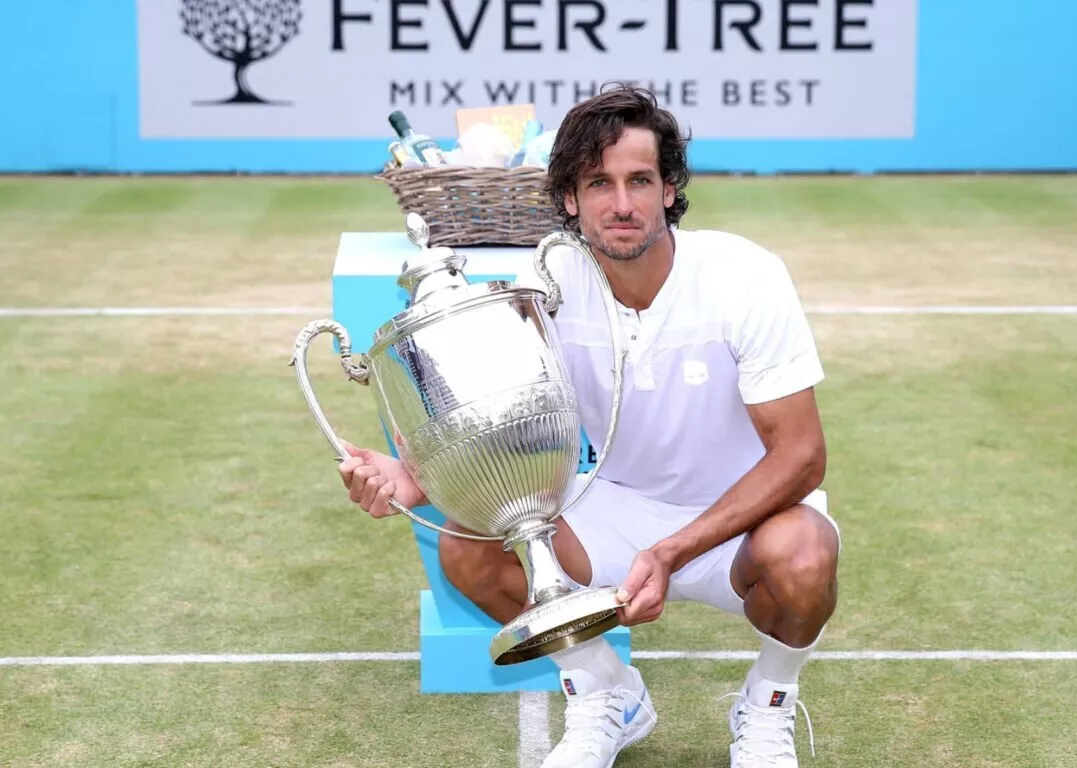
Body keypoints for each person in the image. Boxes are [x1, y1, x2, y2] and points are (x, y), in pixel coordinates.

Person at [338, 84, 840, 768]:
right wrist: (413, 479)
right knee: (466, 549)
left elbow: (803, 457)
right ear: (569, 199)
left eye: (640, 180)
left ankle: (767, 705)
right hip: (614, 504)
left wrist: (672, 551)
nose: (622, 203)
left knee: (806, 556)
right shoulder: (547, 283)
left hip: (746, 517)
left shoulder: (746, 276)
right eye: (598, 183)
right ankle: (606, 692)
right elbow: (496, 425)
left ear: (669, 189)